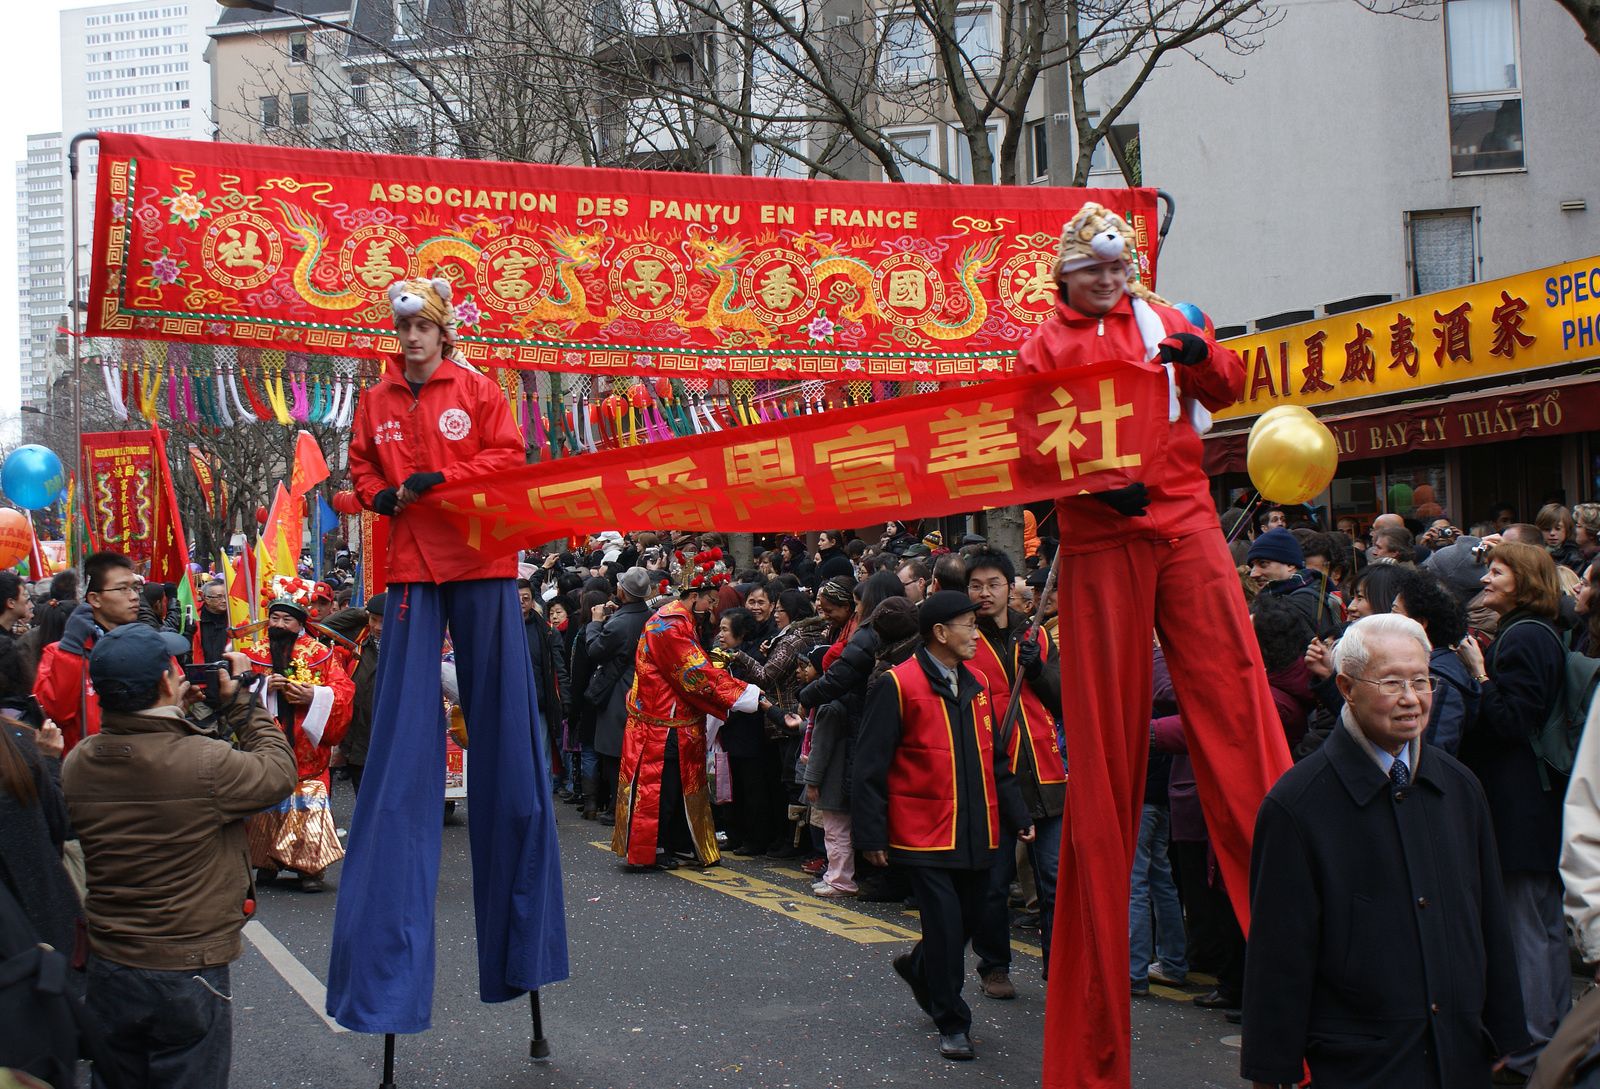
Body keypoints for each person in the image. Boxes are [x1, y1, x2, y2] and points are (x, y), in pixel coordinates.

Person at [1016, 202, 1291, 1088]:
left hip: (1186, 523)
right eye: (1093, 270)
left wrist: (1201, 354)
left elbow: (1231, 386)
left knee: (1236, 699)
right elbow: (1028, 444)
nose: (1108, 279)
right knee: (1102, 756)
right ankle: (1092, 1047)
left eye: (1118, 266)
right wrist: (1098, 491)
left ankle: (1298, 922)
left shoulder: (1167, 316)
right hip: (1101, 537)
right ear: (1065, 277)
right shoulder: (1043, 345)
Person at [328, 276, 568, 1035]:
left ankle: (523, 957)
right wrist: (378, 495)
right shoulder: (375, 400)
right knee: (402, 758)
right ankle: (386, 984)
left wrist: (444, 479)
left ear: (443, 333)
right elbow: (362, 469)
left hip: (481, 563)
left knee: (510, 750)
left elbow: (507, 458)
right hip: (409, 570)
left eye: (422, 330)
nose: (411, 341)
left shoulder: (482, 389)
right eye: (402, 333)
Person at [1241, 614, 1527, 1089]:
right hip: (1358, 1062)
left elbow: (1489, 919)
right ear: (1347, 687)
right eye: (1392, 682)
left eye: (1421, 680)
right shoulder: (1299, 803)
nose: (1411, 698)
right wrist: (1272, 1071)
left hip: (1459, 1055)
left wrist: (1504, 1034)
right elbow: (1280, 953)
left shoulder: (1459, 786)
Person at [62, 623, 297, 1089]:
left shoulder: (79, 761)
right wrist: (239, 703)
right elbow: (278, 771)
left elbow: (149, 752)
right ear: (166, 683)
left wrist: (173, 714)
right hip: (187, 965)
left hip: (111, 961)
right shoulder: (205, 761)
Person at [852, 591, 1033, 1062]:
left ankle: (918, 966)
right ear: (940, 633)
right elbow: (869, 765)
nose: (976, 634)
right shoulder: (897, 684)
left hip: (979, 831)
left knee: (973, 919)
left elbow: (998, 759)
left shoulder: (976, 683)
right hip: (922, 832)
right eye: (968, 625)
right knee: (947, 931)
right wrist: (871, 836)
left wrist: (1017, 813)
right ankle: (951, 1020)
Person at [1452, 542, 1570, 1079]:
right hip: (1537, 800)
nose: (1487, 579)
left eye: (1498, 571)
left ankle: (1533, 1044)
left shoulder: (1522, 636)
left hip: (1522, 801)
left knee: (1527, 925)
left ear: (1522, 580)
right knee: (1540, 924)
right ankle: (1550, 1036)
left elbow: (1510, 719)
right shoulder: (1537, 631)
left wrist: (1478, 673)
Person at [613, 573, 787, 870]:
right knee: (662, 789)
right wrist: (753, 697)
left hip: (672, 719)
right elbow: (696, 675)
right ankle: (654, 847)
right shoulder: (669, 626)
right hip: (661, 723)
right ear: (695, 597)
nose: (712, 607)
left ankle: (679, 842)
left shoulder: (676, 620)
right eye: (710, 600)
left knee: (681, 786)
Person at [962, 549, 1064, 999]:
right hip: (992, 776)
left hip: (1045, 771)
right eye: (976, 586)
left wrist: (1039, 669)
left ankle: (1060, 964)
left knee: (1056, 877)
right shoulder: (960, 640)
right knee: (994, 881)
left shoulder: (1036, 634)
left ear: (1011, 588)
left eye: (994, 584)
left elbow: (1063, 700)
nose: (985, 594)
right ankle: (994, 966)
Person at [236, 593, 355, 893]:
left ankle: (308, 868)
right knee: (266, 796)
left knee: (308, 801)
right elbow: (236, 690)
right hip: (268, 739)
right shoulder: (255, 652)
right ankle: (265, 861)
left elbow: (342, 690)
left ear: (300, 623)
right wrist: (263, 688)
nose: (279, 624)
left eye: (286, 619)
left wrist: (312, 696)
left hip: (306, 745)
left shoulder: (320, 653)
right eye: (275, 618)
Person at [35, 551, 140, 755]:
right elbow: (54, 715)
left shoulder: (148, 644)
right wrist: (71, 650)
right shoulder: (60, 653)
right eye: (123, 588)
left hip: (143, 767)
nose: (134, 596)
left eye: (136, 588)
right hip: (85, 771)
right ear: (94, 598)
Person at [585, 567, 653, 821]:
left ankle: (618, 806)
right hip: (644, 689)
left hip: (619, 691)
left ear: (622, 592)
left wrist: (594, 624)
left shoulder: (619, 624)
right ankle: (627, 804)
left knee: (615, 752)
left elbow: (594, 650)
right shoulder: (650, 616)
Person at [1392, 569, 1477, 754]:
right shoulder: (1431, 668)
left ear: (1420, 623)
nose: (1388, 618)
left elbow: (1429, 753)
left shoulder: (1438, 682)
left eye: (1394, 612)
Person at [332, 592, 384, 797]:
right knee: (364, 799)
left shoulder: (406, 648)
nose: (378, 627)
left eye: (384, 621)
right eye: (374, 620)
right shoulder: (359, 643)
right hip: (358, 740)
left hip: (389, 739)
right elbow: (325, 626)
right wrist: (362, 612)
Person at [1247, 527, 1341, 639]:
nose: (1253, 574)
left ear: (1290, 565)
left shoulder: (1297, 603)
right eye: (1252, 566)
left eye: (1263, 564)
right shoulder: (1311, 590)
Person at [0, 571, 36, 717]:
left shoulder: (13, 639)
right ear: (11, 603)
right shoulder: (7, 647)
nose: (30, 604)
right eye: (26, 598)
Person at [1537, 503, 1584, 574]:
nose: (1552, 533)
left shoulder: (1573, 556)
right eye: (1546, 529)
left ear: (1567, 529)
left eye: (1558, 529)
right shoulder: (1536, 553)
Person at [195, 579, 232, 663]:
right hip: (202, 670)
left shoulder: (232, 618)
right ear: (206, 598)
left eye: (226, 596)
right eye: (219, 597)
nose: (224, 601)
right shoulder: (196, 619)